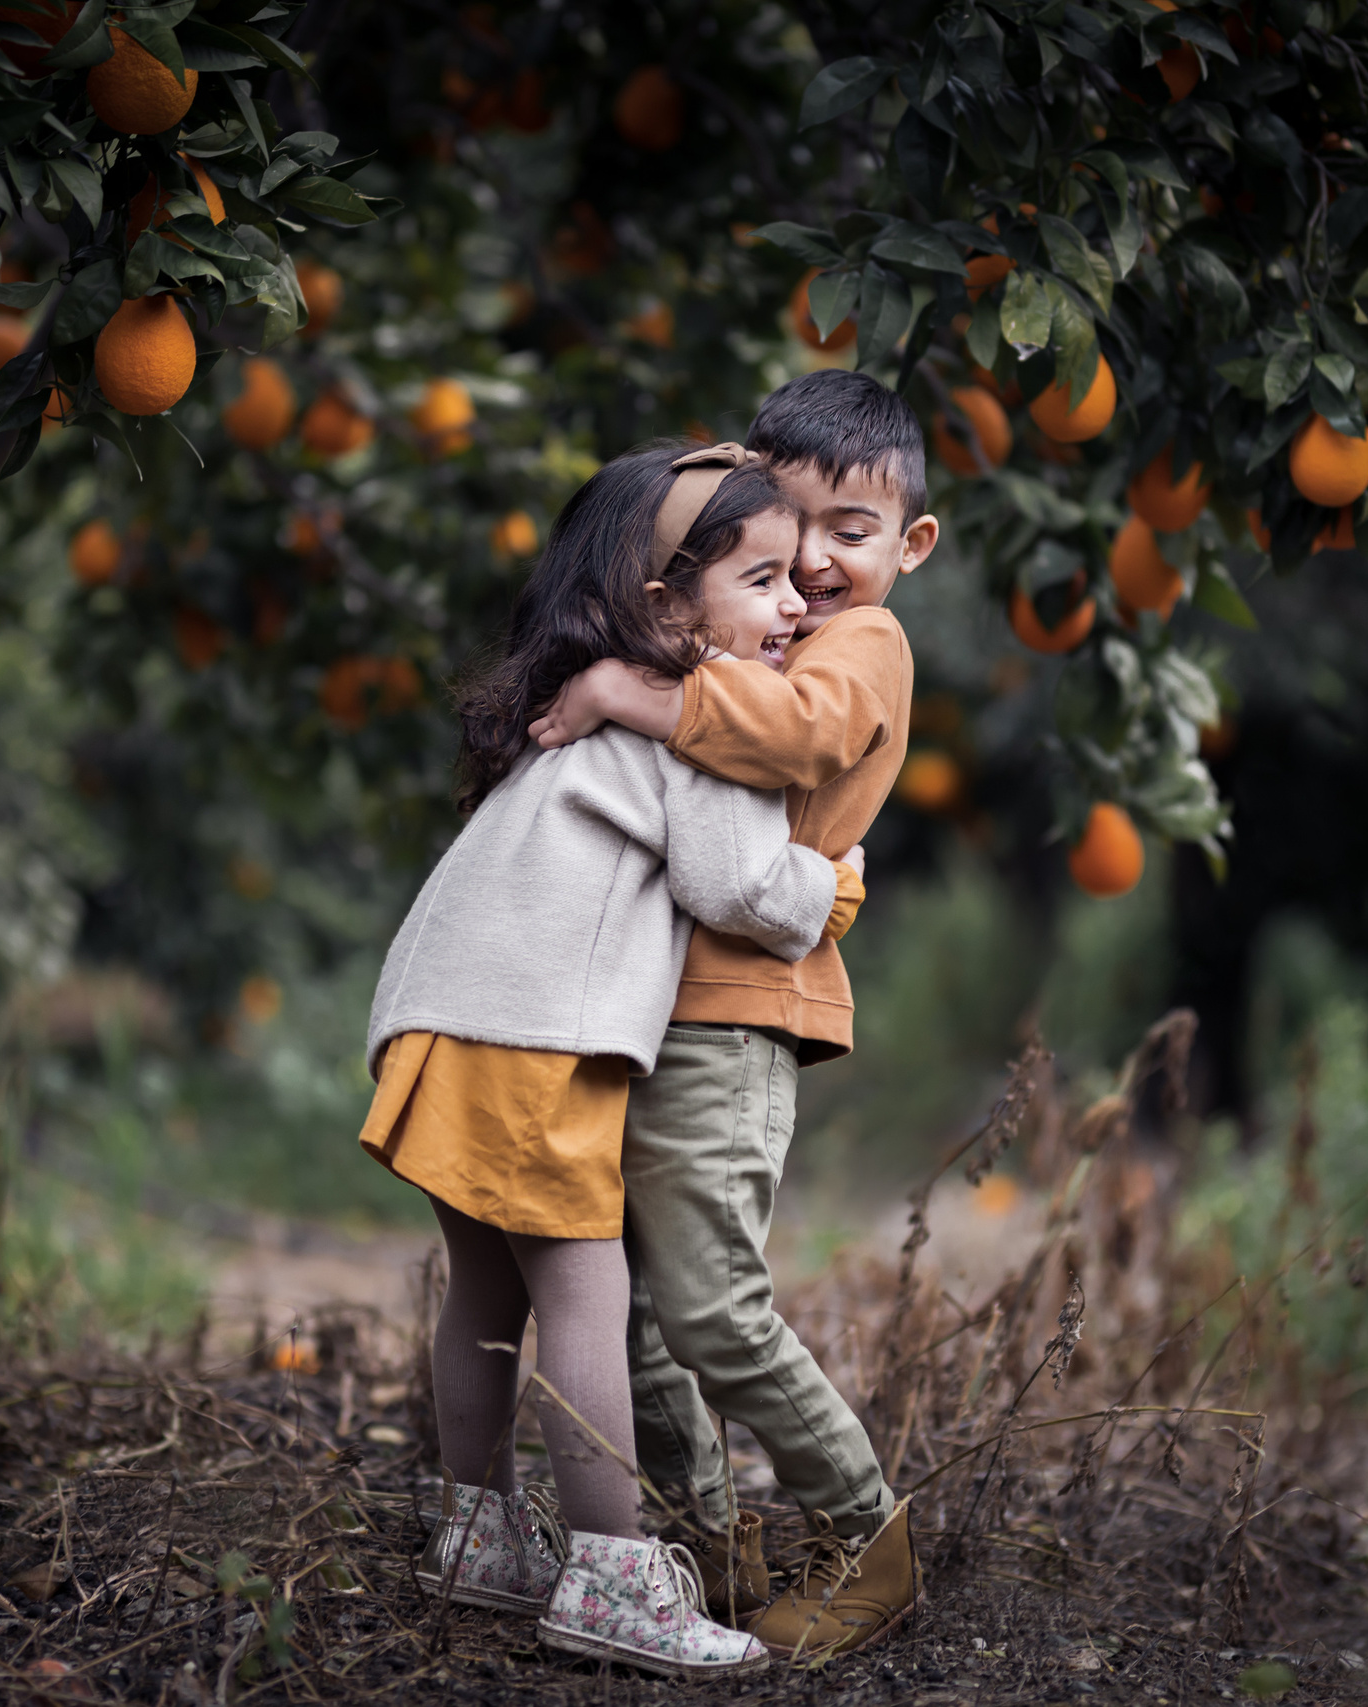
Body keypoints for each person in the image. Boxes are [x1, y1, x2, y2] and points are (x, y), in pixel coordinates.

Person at [358, 440, 867, 1679]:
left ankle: (476, 1536)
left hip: (440, 1018)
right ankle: (613, 1577)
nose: (794, 605)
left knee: (485, 1297)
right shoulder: (706, 716)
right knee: (588, 1300)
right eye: (760, 581)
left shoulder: (586, 701)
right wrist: (833, 883)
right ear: (668, 607)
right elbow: (736, 885)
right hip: (539, 1036)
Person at [525, 370, 939, 1655]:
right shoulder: (767, 624)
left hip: (742, 1007)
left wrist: (633, 692)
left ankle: (867, 1538)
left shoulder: (862, 646)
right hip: (651, 1001)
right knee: (631, 1310)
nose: (812, 562)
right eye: (789, 525)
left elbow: (798, 736)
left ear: (912, 545)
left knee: (710, 1304)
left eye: (850, 533)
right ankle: (694, 1545)